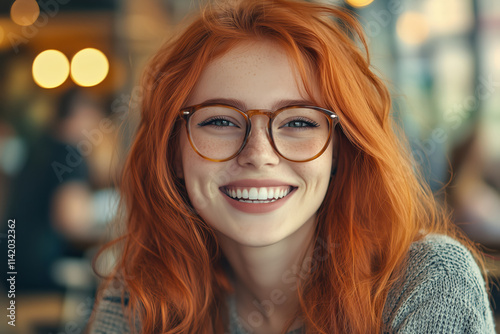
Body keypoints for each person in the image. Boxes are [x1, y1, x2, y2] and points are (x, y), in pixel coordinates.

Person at [87, 0, 496, 333]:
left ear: (341, 151)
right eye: (221, 120)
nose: (259, 153)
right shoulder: (143, 292)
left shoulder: (426, 285)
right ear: (172, 151)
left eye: (299, 121)